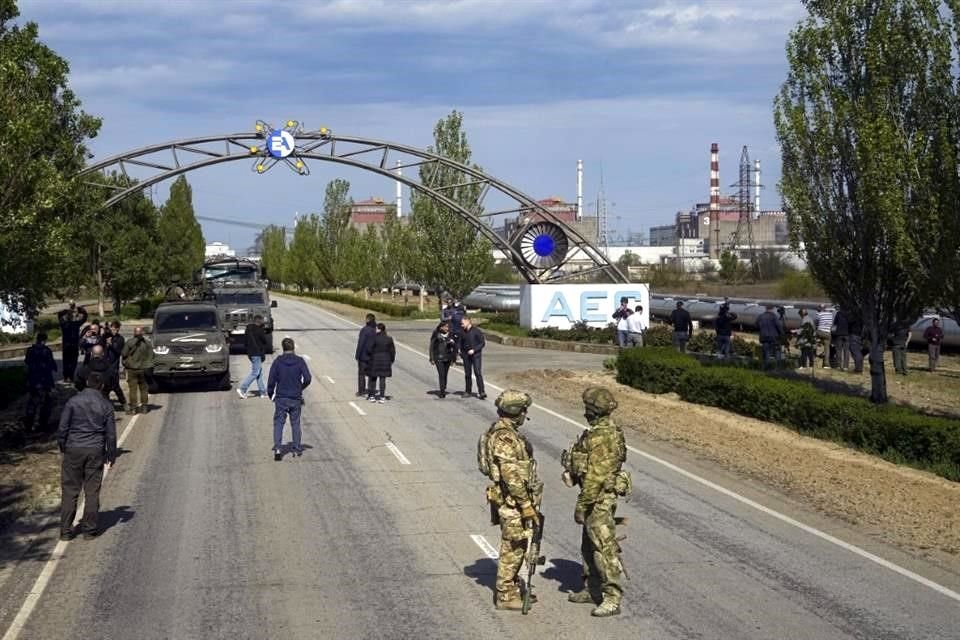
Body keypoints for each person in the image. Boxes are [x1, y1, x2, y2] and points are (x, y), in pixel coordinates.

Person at [561, 387, 630, 617]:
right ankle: (592, 589)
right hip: (594, 499)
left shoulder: (603, 437)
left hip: (598, 501)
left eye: (587, 408)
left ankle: (612, 597)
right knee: (588, 548)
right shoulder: (596, 433)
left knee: (603, 549)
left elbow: (595, 478)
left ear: (594, 410)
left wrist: (581, 506)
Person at [477, 389, 541, 611]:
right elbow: (510, 474)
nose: (525, 414)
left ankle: (512, 587)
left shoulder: (506, 431)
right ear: (516, 411)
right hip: (512, 502)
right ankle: (505, 595)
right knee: (512, 547)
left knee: (519, 545)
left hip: (512, 500)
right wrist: (526, 505)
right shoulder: (504, 436)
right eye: (524, 410)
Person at [56, 370, 117, 540]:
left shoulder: (73, 402)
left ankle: (66, 531)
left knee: (70, 490)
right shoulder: (106, 405)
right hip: (95, 450)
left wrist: (63, 446)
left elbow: (63, 429)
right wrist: (111, 455)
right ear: (102, 386)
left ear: (86, 383)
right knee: (92, 491)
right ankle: (89, 530)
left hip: (73, 448)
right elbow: (111, 435)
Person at [267, 337, 312, 460]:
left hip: (281, 397)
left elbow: (271, 380)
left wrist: (271, 394)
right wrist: (300, 388)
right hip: (295, 397)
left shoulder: (277, 361)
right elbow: (308, 378)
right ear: (293, 347)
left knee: (279, 423)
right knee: (295, 423)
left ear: (283, 348)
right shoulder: (300, 361)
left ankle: (277, 449)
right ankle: (297, 449)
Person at [23, 332, 57, 432]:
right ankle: (43, 424)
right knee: (46, 403)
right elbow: (52, 366)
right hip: (45, 380)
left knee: (32, 402)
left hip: (33, 380)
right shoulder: (46, 351)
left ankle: (29, 424)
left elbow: (27, 363)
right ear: (44, 340)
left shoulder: (30, 350)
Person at [121, 326, 153, 415]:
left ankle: (134, 408)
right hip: (144, 369)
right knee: (144, 389)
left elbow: (123, 353)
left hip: (132, 369)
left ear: (134, 333)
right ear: (142, 333)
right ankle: (144, 408)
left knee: (133, 389)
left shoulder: (129, 342)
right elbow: (151, 356)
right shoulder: (147, 343)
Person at [238, 315, 270, 399]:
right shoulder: (259, 330)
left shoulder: (248, 329)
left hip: (251, 353)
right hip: (257, 354)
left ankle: (262, 392)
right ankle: (242, 389)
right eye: (262, 321)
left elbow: (245, 342)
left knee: (258, 373)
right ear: (259, 321)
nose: (264, 322)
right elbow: (265, 341)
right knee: (255, 373)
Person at [365, 323, 396, 403]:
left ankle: (372, 396)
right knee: (383, 379)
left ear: (379, 329)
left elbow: (369, 349)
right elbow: (392, 351)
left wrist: (370, 356)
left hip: (375, 360)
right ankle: (382, 397)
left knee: (373, 379)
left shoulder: (374, 338)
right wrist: (391, 360)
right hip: (386, 360)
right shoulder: (389, 339)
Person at [57, 302, 87, 383]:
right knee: (72, 361)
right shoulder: (74, 324)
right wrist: (80, 309)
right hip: (72, 346)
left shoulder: (65, 324)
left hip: (68, 346)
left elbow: (59, 314)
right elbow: (84, 317)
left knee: (67, 362)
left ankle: (67, 376)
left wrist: (67, 311)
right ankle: (70, 376)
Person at [460, 316, 487, 399]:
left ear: (468, 321)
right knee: (467, 374)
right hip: (466, 355)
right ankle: (468, 391)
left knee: (477, 373)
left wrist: (474, 350)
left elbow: (482, 343)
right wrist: (459, 350)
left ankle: (482, 392)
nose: (461, 325)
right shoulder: (462, 332)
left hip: (476, 355)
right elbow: (460, 342)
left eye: (462, 323)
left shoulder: (476, 331)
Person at [429, 321, 457, 398]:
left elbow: (455, 348)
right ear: (441, 327)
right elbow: (431, 346)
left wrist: (454, 359)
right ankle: (442, 391)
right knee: (441, 374)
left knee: (445, 374)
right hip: (438, 358)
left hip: (448, 357)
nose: (446, 328)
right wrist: (431, 358)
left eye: (447, 327)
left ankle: (443, 387)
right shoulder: (436, 334)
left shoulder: (451, 334)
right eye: (445, 327)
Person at [355, 314, 377, 397]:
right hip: (372, 356)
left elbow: (361, 343)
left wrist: (357, 355)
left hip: (363, 356)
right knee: (371, 374)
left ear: (367, 320)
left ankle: (361, 391)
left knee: (361, 374)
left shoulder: (365, 330)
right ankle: (371, 390)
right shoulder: (374, 330)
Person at [815, 304, 835, 369]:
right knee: (827, 349)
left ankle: (814, 357)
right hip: (828, 332)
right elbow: (831, 324)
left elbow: (816, 322)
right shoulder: (831, 315)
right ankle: (826, 364)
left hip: (820, 332)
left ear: (821, 309)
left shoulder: (819, 314)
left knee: (814, 340)